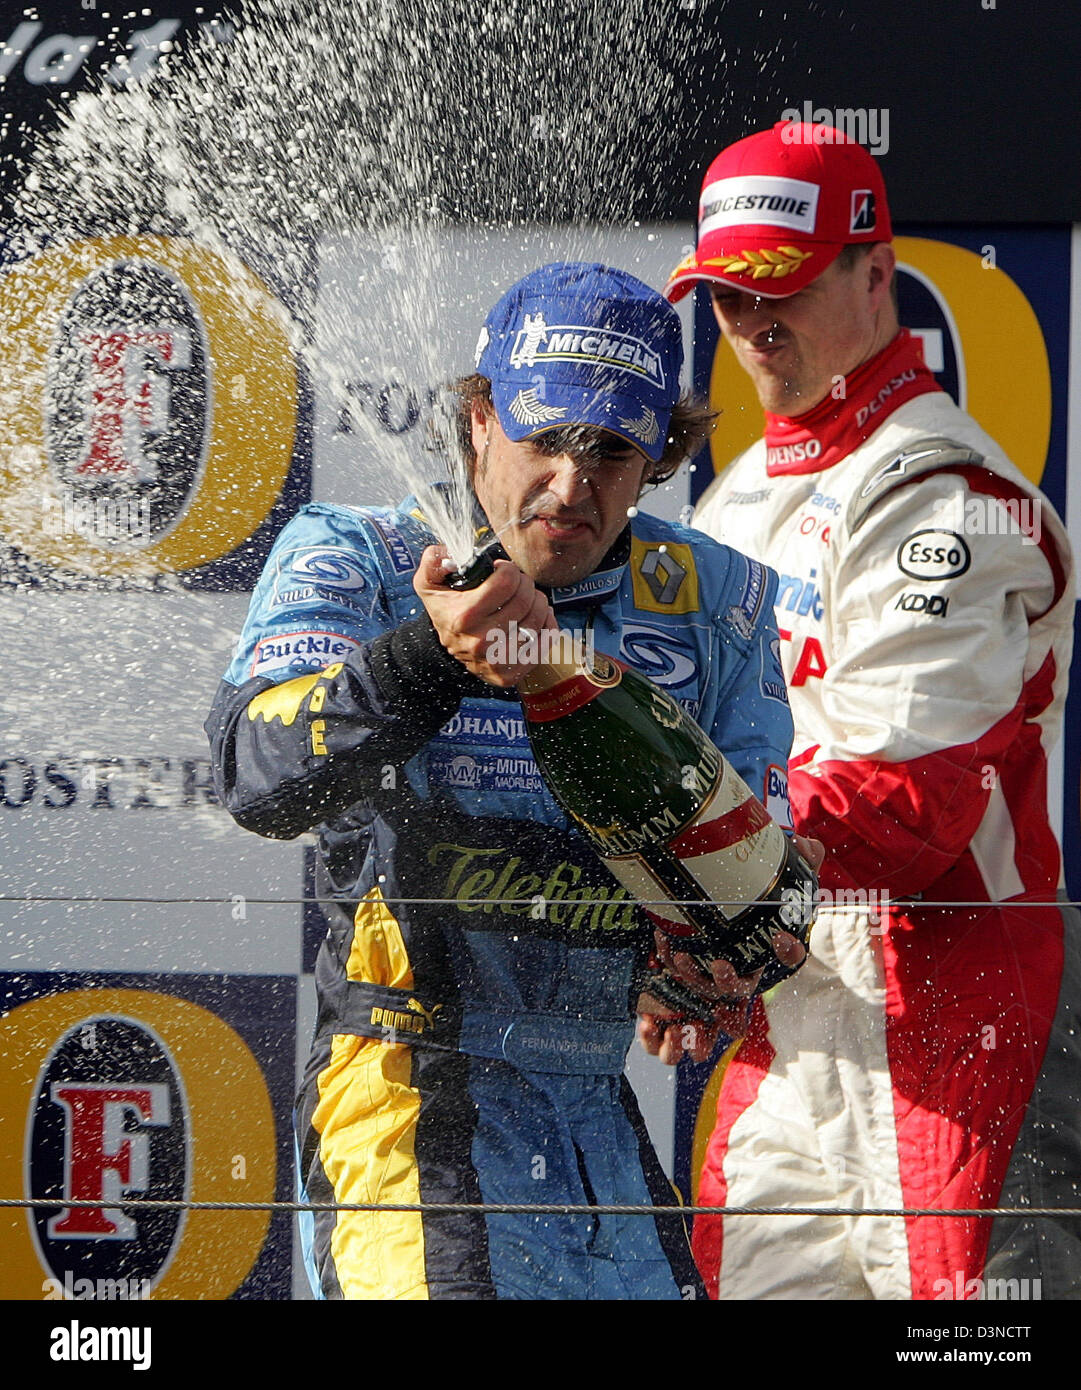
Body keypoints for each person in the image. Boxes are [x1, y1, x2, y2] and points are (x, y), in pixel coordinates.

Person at [206, 261, 806, 1300]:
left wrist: (723, 954)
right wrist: (422, 662)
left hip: (594, 1112)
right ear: (479, 416)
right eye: (546, 441)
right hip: (402, 1088)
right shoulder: (359, 554)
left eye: (613, 451)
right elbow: (252, 775)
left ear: (659, 453)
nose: (573, 487)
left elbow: (764, 887)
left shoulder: (721, 602)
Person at [659, 122, 1081, 1300]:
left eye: (777, 291)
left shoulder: (951, 490)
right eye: (726, 297)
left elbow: (913, 794)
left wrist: (711, 890)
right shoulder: (733, 504)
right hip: (788, 1017)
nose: (750, 327)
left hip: (963, 1017)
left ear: (874, 274)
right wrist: (691, 937)